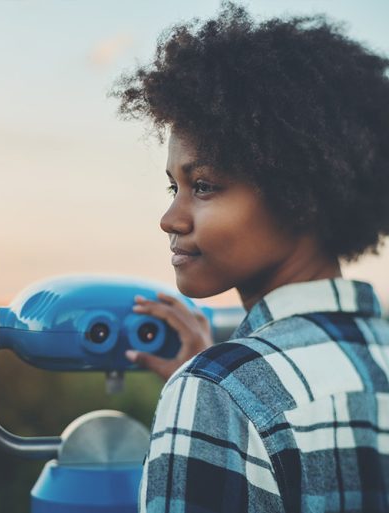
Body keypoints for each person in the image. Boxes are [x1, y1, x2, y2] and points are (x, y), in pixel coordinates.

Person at [111, 2, 389, 512]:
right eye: (173, 186)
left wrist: (215, 385)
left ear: (301, 192)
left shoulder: (216, 390)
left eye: (205, 186)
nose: (170, 218)